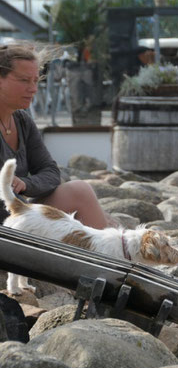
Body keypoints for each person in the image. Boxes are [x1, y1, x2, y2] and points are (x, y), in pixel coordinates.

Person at [0, 43, 112, 229]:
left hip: (17, 213)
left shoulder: (22, 121)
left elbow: (50, 172)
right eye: (24, 80)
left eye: (36, 81)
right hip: (7, 226)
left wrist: (25, 183)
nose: (33, 89)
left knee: (80, 191)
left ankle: (101, 254)